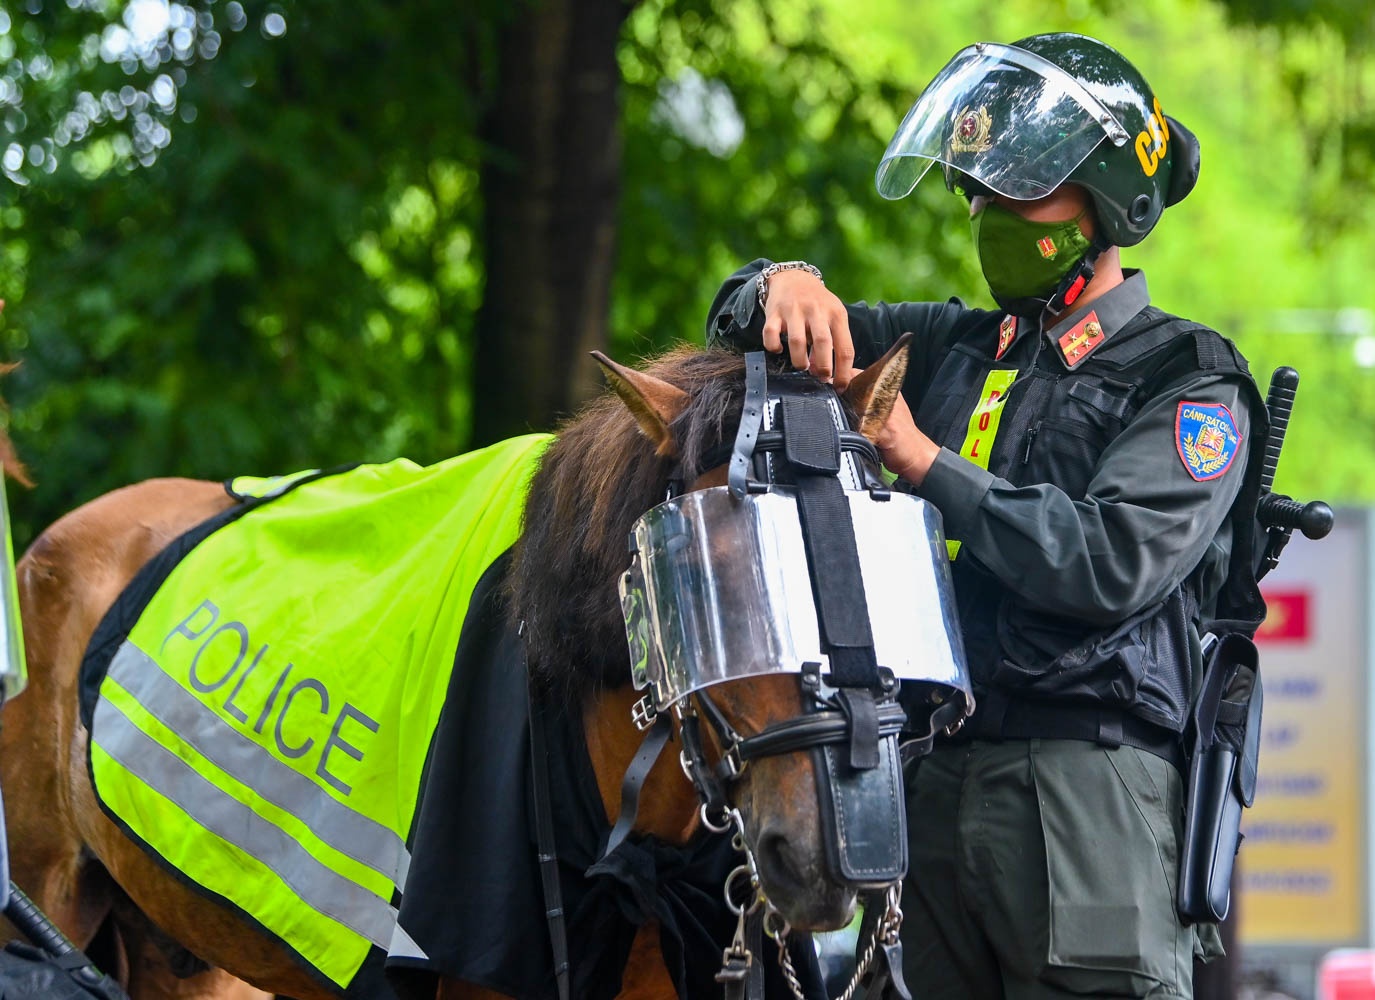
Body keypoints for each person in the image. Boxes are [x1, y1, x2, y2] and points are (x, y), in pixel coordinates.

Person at [706, 32, 1267, 1000]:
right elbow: (758, 337)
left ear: (1104, 206)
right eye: (979, 191)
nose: (986, 213)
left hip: (1085, 787)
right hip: (929, 769)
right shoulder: (954, 344)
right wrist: (779, 282)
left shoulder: (1188, 380)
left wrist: (924, 461)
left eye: (1020, 193)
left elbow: (1111, 562)